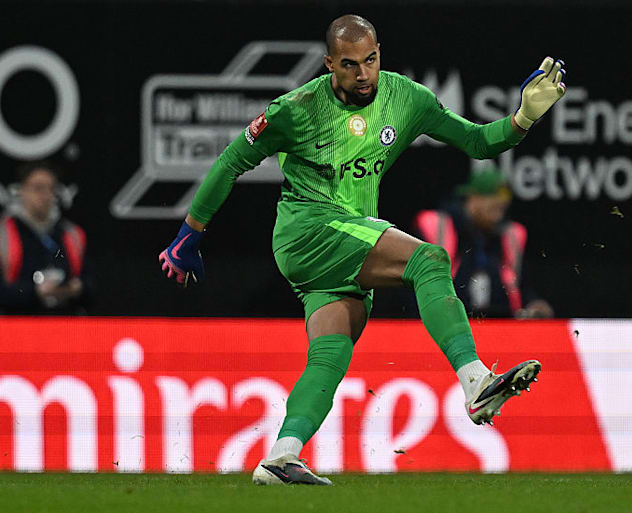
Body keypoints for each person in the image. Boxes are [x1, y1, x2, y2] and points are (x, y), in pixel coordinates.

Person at [158, 14, 566, 485]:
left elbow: (477, 142)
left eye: (370, 60)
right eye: (349, 65)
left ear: (379, 53)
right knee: (428, 259)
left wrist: (524, 118)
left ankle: (280, 456)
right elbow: (231, 161)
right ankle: (475, 381)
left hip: (347, 240)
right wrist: (190, 234)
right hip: (308, 231)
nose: (363, 74)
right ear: (330, 63)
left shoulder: (405, 98)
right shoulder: (297, 108)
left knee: (330, 355)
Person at [414, 169, 553, 318]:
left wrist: (533, 304)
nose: (499, 210)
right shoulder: (438, 227)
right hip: (445, 325)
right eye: (493, 205)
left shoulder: (509, 236)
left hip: (502, 328)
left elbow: (521, 288)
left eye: (502, 208)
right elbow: (411, 289)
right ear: (473, 198)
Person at [0, 161, 92, 314]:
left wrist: (75, 289)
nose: (45, 195)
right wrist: (35, 292)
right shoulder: (4, 234)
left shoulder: (71, 234)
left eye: (51, 189)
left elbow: (91, 286)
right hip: (17, 327)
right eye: (38, 188)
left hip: (64, 326)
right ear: (22, 190)